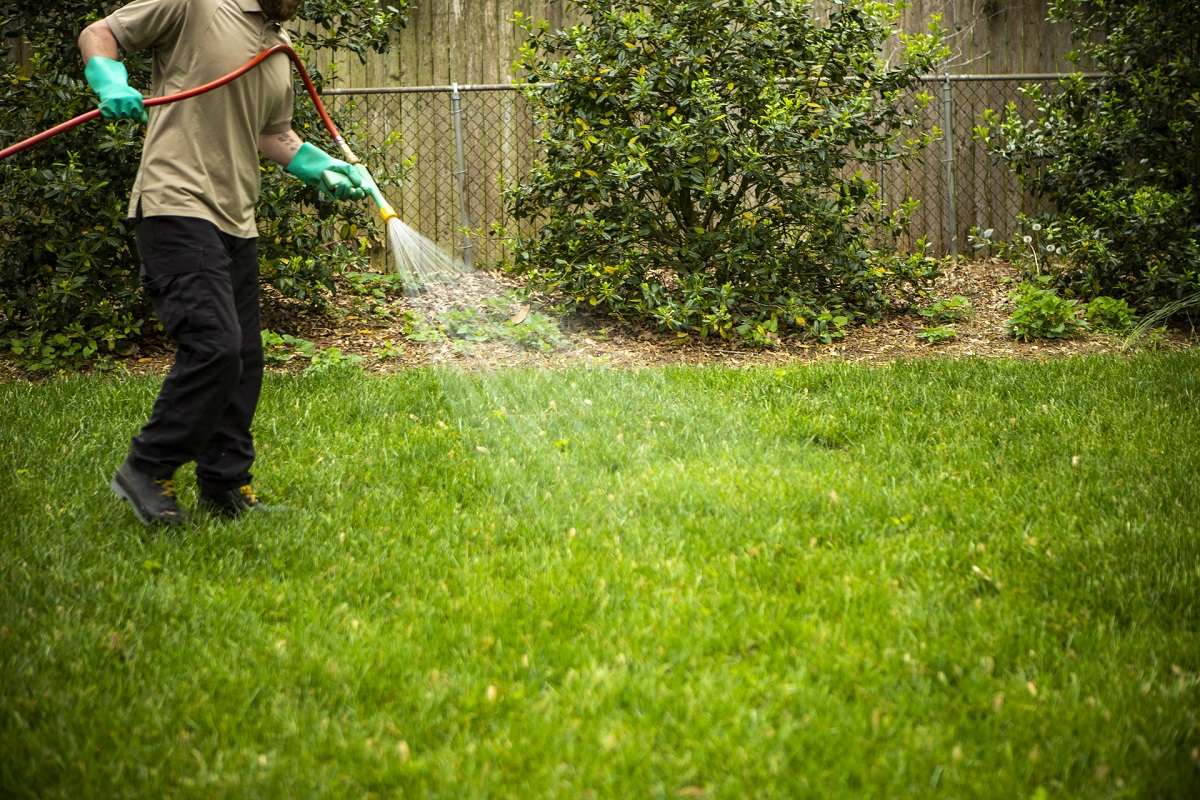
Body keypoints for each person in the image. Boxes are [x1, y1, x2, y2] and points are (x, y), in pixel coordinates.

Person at [78, 0, 365, 526]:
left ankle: (224, 485)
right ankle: (147, 467)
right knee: (214, 347)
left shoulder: (280, 50)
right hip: (175, 203)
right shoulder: (196, 4)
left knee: (243, 361)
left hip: (237, 219)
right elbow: (101, 33)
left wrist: (321, 167)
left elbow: (272, 134)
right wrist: (109, 80)